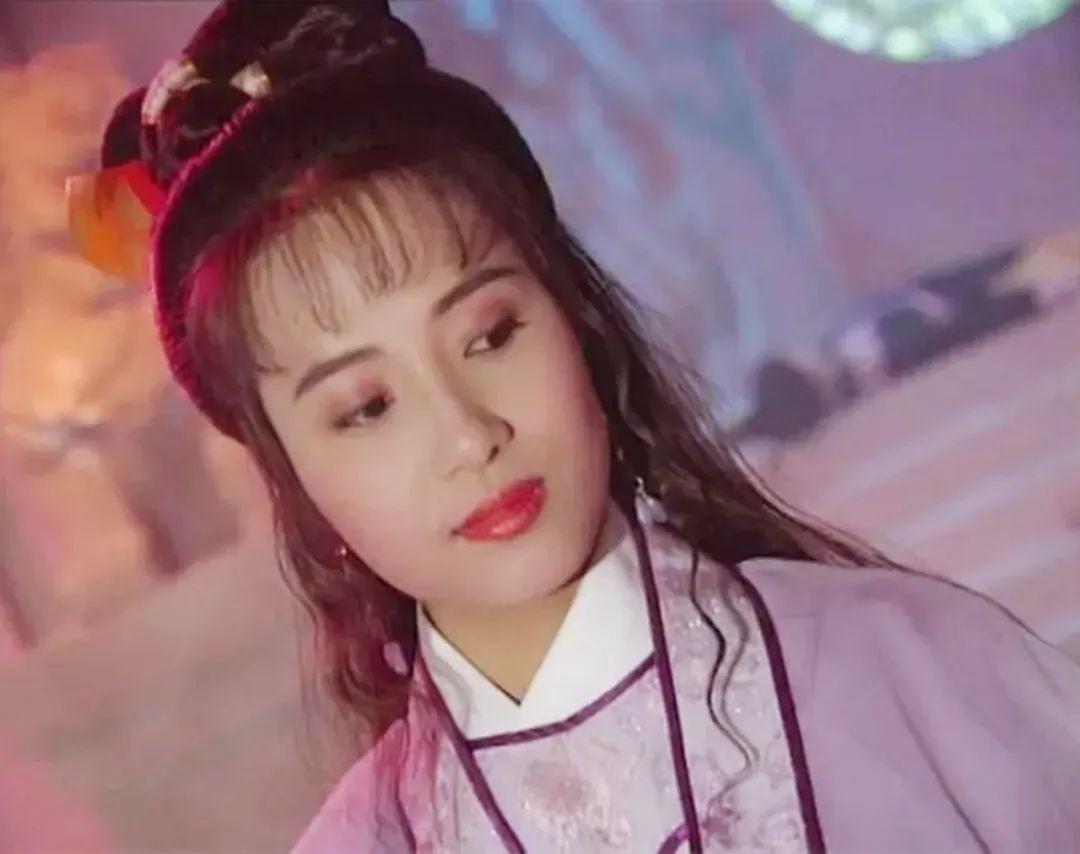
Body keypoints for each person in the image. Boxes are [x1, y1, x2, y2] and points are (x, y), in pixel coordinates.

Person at [69, 2, 1080, 851]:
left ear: (576, 321)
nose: (468, 435)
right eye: (367, 406)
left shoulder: (909, 663)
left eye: (489, 334)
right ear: (295, 480)